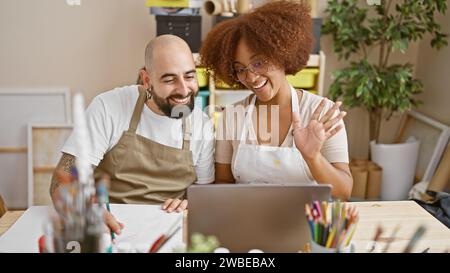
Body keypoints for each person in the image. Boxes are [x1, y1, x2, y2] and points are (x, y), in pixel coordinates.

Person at [50, 35, 215, 235]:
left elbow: (204, 193)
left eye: (189, 76)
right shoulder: (108, 107)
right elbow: (62, 181)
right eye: (170, 79)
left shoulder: (202, 125)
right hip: (111, 225)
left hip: (170, 230)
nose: (183, 89)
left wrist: (188, 203)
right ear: (147, 80)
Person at [200, 1, 352, 199]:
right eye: (240, 69)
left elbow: (344, 193)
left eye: (259, 62)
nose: (251, 77)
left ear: (281, 53)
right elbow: (224, 183)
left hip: (305, 224)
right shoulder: (231, 117)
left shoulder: (322, 113)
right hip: (247, 220)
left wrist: (313, 157)